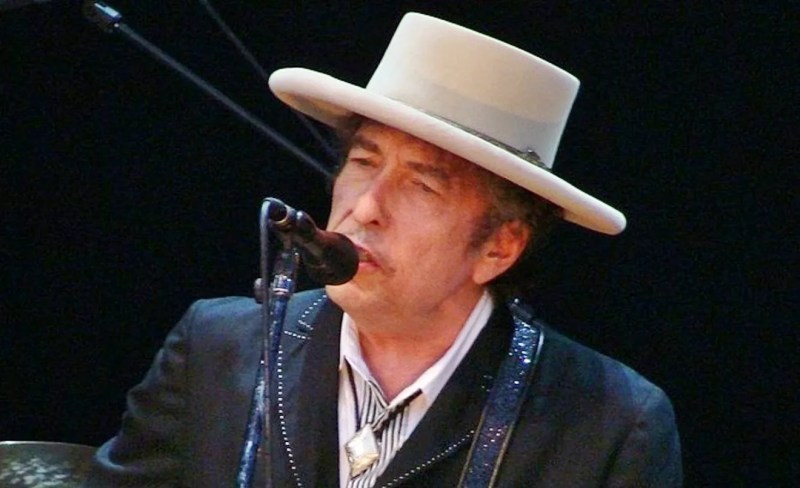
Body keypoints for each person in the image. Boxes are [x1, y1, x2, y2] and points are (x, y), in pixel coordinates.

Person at [85, 12, 682, 488]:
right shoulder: (216, 350)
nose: (366, 205)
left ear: (500, 247)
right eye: (364, 161)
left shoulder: (608, 423)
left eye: (422, 185)